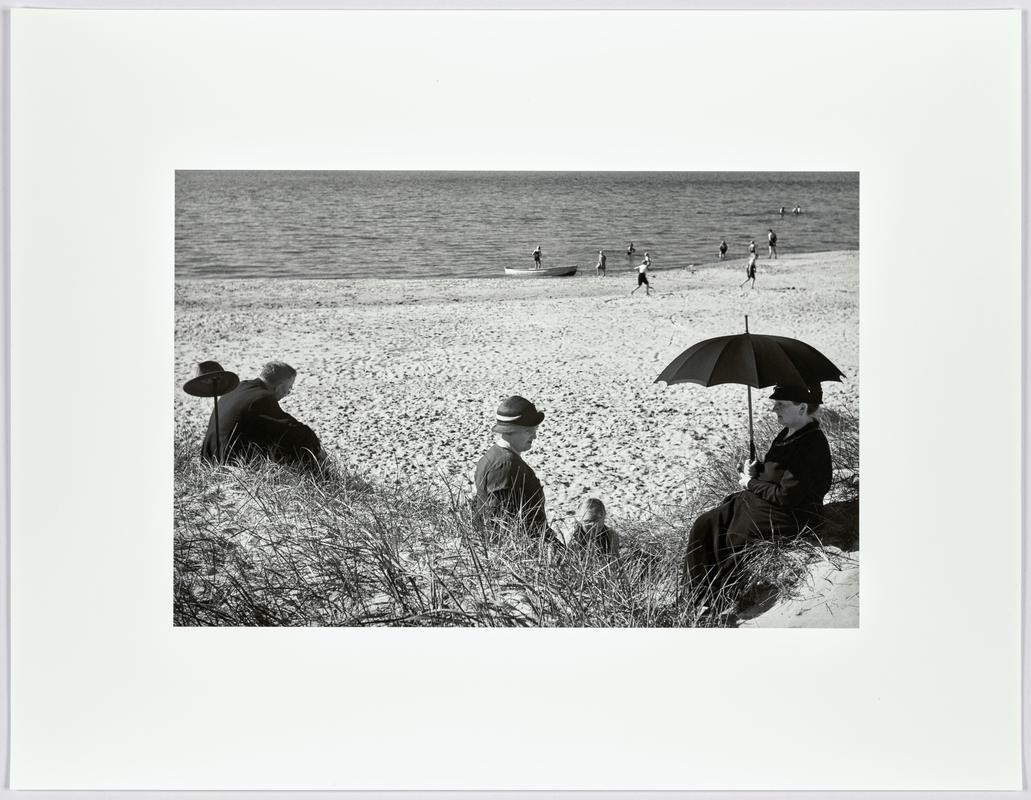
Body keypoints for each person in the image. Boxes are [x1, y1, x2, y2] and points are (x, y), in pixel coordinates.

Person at [682, 384, 832, 612]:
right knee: (706, 523)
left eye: (781, 404)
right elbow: (776, 473)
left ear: (802, 408)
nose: (774, 409)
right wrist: (757, 470)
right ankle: (695, 597)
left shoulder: (811, 444)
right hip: (766, 502)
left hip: (791, 515)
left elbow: (786, 495)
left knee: (734, 537)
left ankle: (719, 602)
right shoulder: (787, 432)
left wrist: (750, 483)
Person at [201, 360, 326, 469]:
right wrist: (316, 447)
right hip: (227, 463)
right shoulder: (261, 398)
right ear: (280, 386)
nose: (288, 393)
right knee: (297, 444)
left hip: (209, 458)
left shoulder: (239, 388)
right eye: (289, 388)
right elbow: (291, 429)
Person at [473, 395, 560, 544]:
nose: (535, 435)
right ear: (510, 431)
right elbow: (503, 525)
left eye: (535, 429)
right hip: (526, 552)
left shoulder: (493, 457)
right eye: (528, 431)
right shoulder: (506, 466)